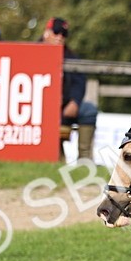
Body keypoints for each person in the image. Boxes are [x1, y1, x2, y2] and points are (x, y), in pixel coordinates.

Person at [42, 17, 97, 161]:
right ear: (46, 33)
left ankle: (84, 160)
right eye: (56, 32)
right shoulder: (32, 52)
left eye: (63, 34)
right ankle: (56, 159)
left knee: (89, 110)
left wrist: (75, 101)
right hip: (40, 108)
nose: (60, 37)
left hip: (65, 107)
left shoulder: (72, 57)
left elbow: (80, 82)